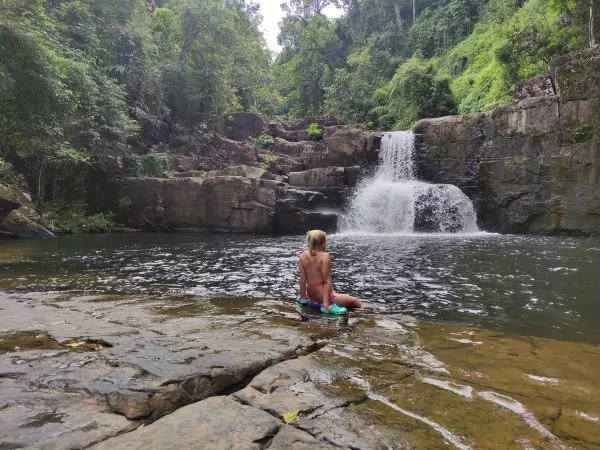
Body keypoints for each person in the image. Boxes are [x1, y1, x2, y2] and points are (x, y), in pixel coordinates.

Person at [298, 230, 363, 313]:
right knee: (356, 301)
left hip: (311, 294)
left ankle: (304, 298)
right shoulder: (325, 257)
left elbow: (302, 279)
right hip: (323, 296)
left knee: (343, 296)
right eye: (326, 241)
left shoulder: (303, 255)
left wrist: (303, 297)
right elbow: (326, 282)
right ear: (322, 243)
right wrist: (326, 305)